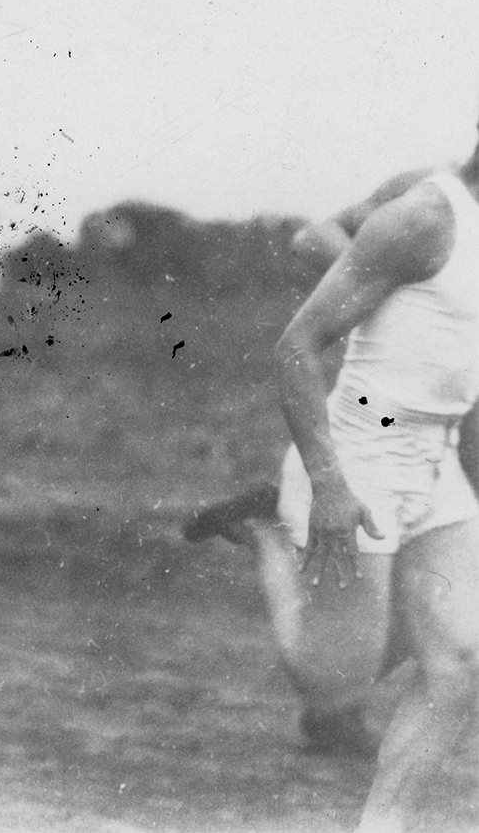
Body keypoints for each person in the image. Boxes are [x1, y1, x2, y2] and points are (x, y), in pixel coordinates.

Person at [183, 167, 435, 755]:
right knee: (347, 644)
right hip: (383, 415)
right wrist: (391, 293)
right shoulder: (432, 196)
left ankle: (336, 711)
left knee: (446, 601)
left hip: (449, 423)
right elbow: (313, 237)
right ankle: (269, 531)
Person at [271, 123, 479, 831]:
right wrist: (330, 485)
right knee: (335, 682)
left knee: (463, 661)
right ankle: (265, 537)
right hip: (363, 452)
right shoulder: (423, 216)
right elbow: (295, 345)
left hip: (436, 455)